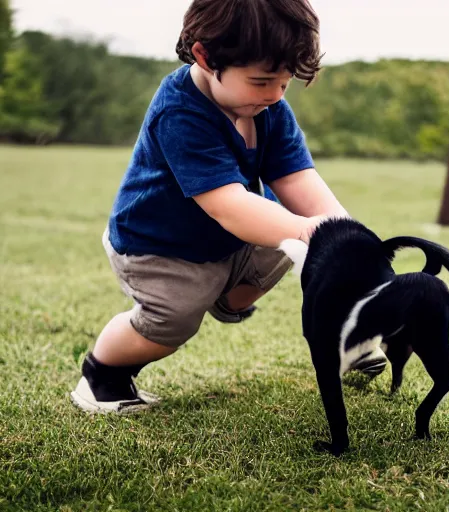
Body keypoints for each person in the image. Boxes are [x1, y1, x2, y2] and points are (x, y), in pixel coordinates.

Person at [71, 0, 386, 413]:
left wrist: (346, 234)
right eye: (262, 81)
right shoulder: (180, 112)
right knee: (173, 321)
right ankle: (102, 374)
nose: (274, 95)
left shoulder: (269, 109)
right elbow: (229, 206)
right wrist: (311, 230)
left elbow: (297, 179)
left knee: (311, 244)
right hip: (161, 249)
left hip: (231, 240)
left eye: (285, 83)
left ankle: (348, 330)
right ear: (204, 56)